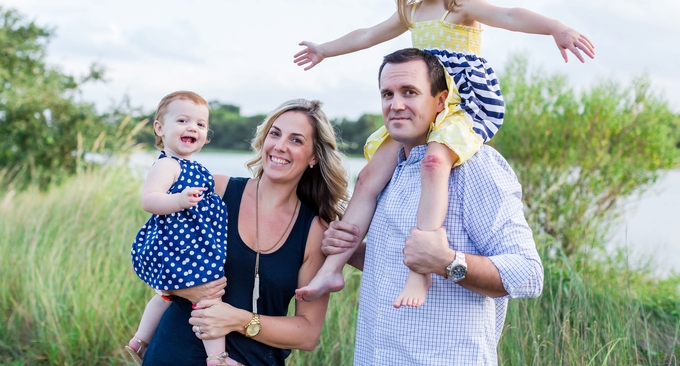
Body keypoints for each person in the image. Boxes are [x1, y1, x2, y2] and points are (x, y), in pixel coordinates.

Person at [294, 0, 591, 308]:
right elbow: (366, 35)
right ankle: (334, 267)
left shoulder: (461, 5)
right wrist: (324, 49)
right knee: (367, 177)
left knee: (435, 164)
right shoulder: (412, 12)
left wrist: (556, 28)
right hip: (420, 107)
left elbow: (511, 15)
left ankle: (421, 273)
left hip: (460, 104)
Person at [323, 48, 544, 365]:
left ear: (441, 101)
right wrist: (349, 249)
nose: (395, 105)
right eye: (387, 94)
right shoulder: (389, 170)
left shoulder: (474, 167)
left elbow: (528, 274)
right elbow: (397, 258)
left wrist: (447, 262)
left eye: (409, 92)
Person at [141, 99, 350, 366]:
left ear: (314, 157)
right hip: (172, 354)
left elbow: (307, 334)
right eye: (275, 134)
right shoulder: (213, 189)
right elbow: (156, 254)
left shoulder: (315, 230)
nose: (280, 146)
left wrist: (239, 320)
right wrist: (185, 290)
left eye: (296, 140)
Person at [127, 91, 230, 366]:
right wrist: (179, 200)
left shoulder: (195, 167)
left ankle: (140, 340)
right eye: (182, 120)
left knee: (164, 296)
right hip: (179, 247)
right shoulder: (167, 165)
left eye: (200, 124)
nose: (191, 128)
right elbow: (149, 200)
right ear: (160, 128)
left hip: (187, 245)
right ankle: (217, 357)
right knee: (208, 298)